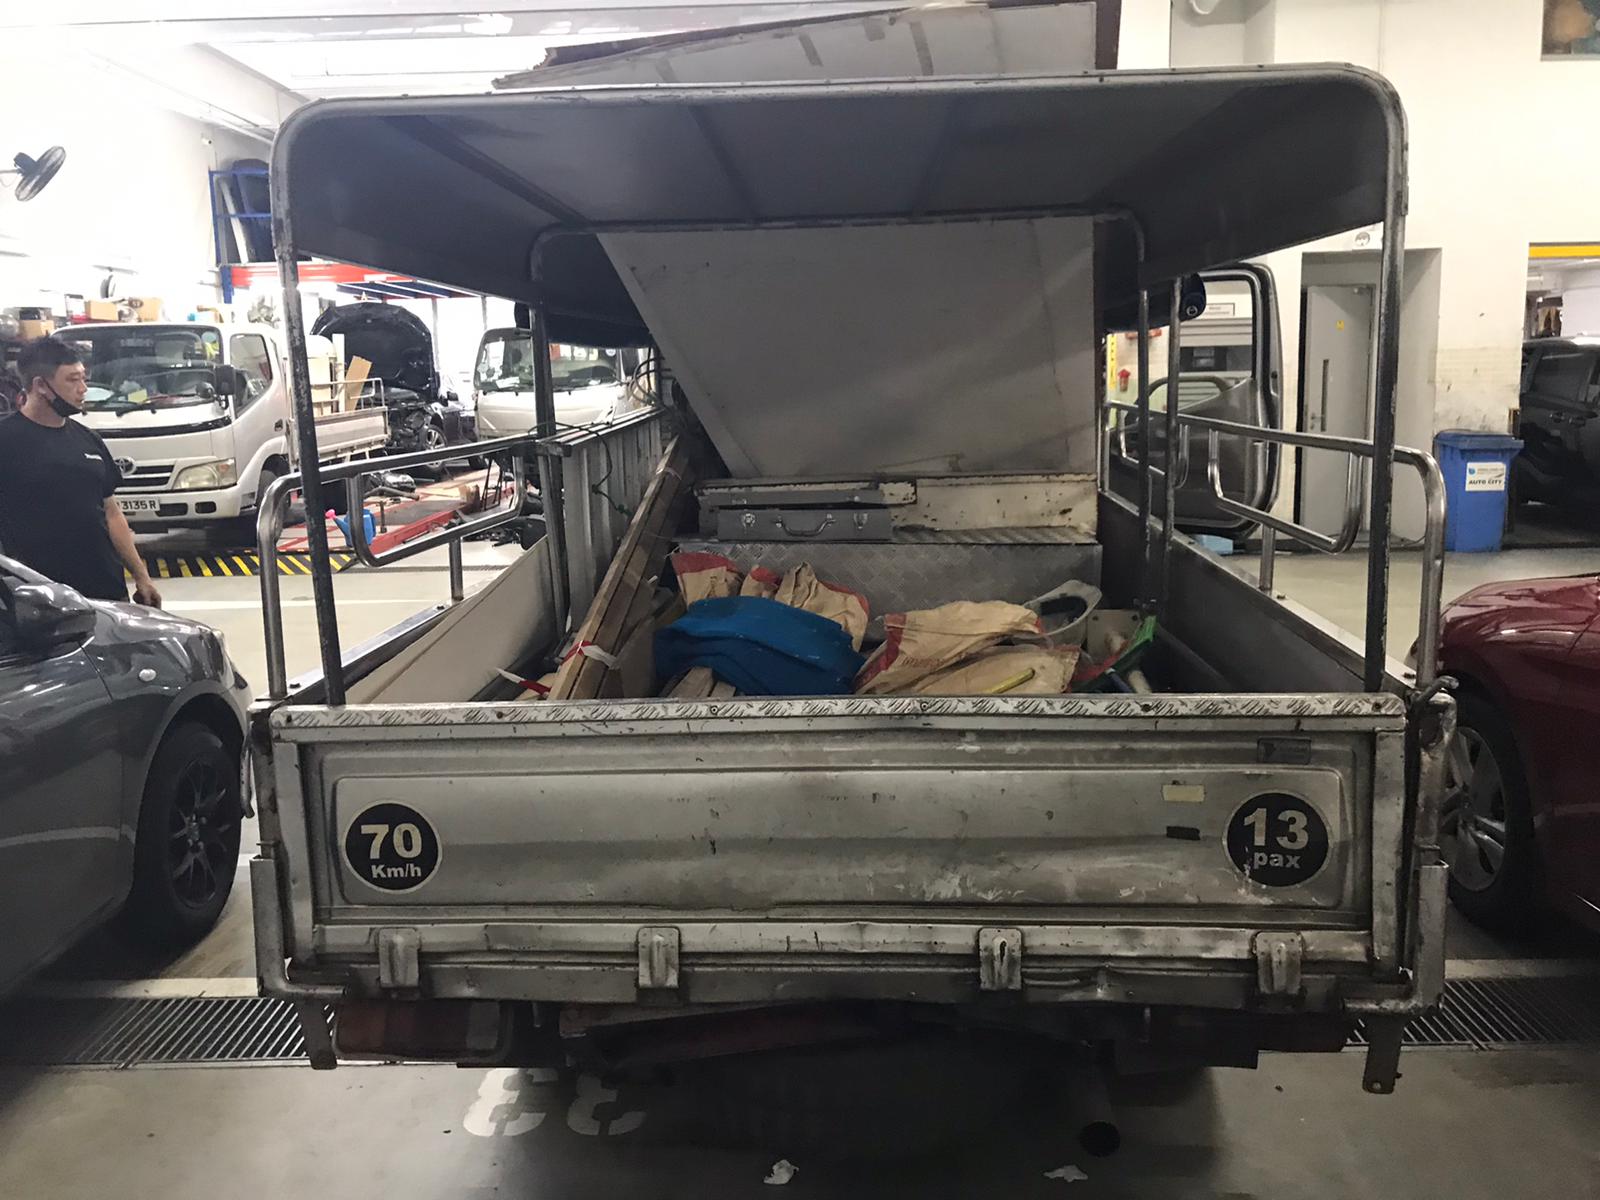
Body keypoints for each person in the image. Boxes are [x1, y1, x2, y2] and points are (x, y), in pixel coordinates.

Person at [0, 336, 161, 605]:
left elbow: (111, 513)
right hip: (38, 600)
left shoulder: (88, 440)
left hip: (106, 590)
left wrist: (141, 576)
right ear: (41, 385)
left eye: (84, 378)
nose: (83, 389)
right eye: (73, 380)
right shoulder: (6, 441)